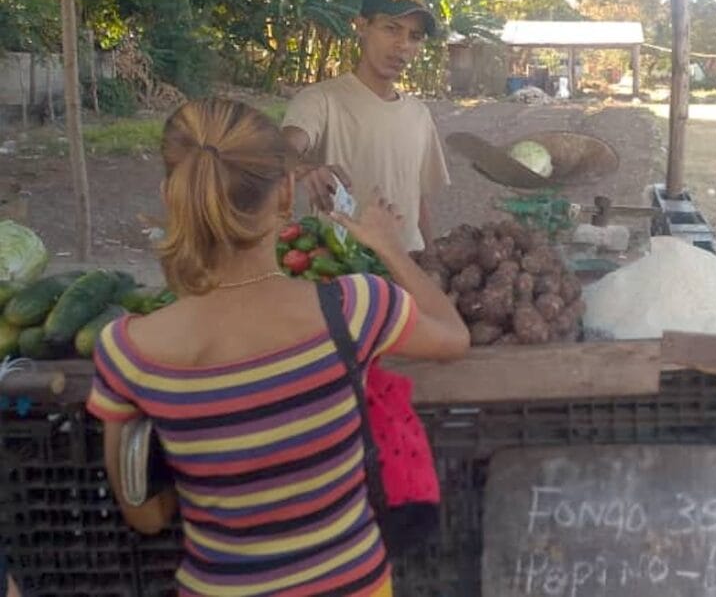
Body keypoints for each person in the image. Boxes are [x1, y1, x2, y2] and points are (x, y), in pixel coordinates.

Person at [86, 98, 469, 596]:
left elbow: (145, 515)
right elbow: (453, 336)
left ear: (170, 196)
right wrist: (388, 245)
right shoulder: (353, 309)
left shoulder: (126, 351)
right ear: (286, 193)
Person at [283, 0, 450, 252]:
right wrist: (304, 169)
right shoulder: (321, 100)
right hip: (346, 269)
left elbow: (415, 197)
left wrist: (430, 257)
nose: (403, 45)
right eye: (391, 28)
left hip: (408, 265)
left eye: (415, 36)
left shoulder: (419, 115)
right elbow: (280, 148)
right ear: (362, 26)